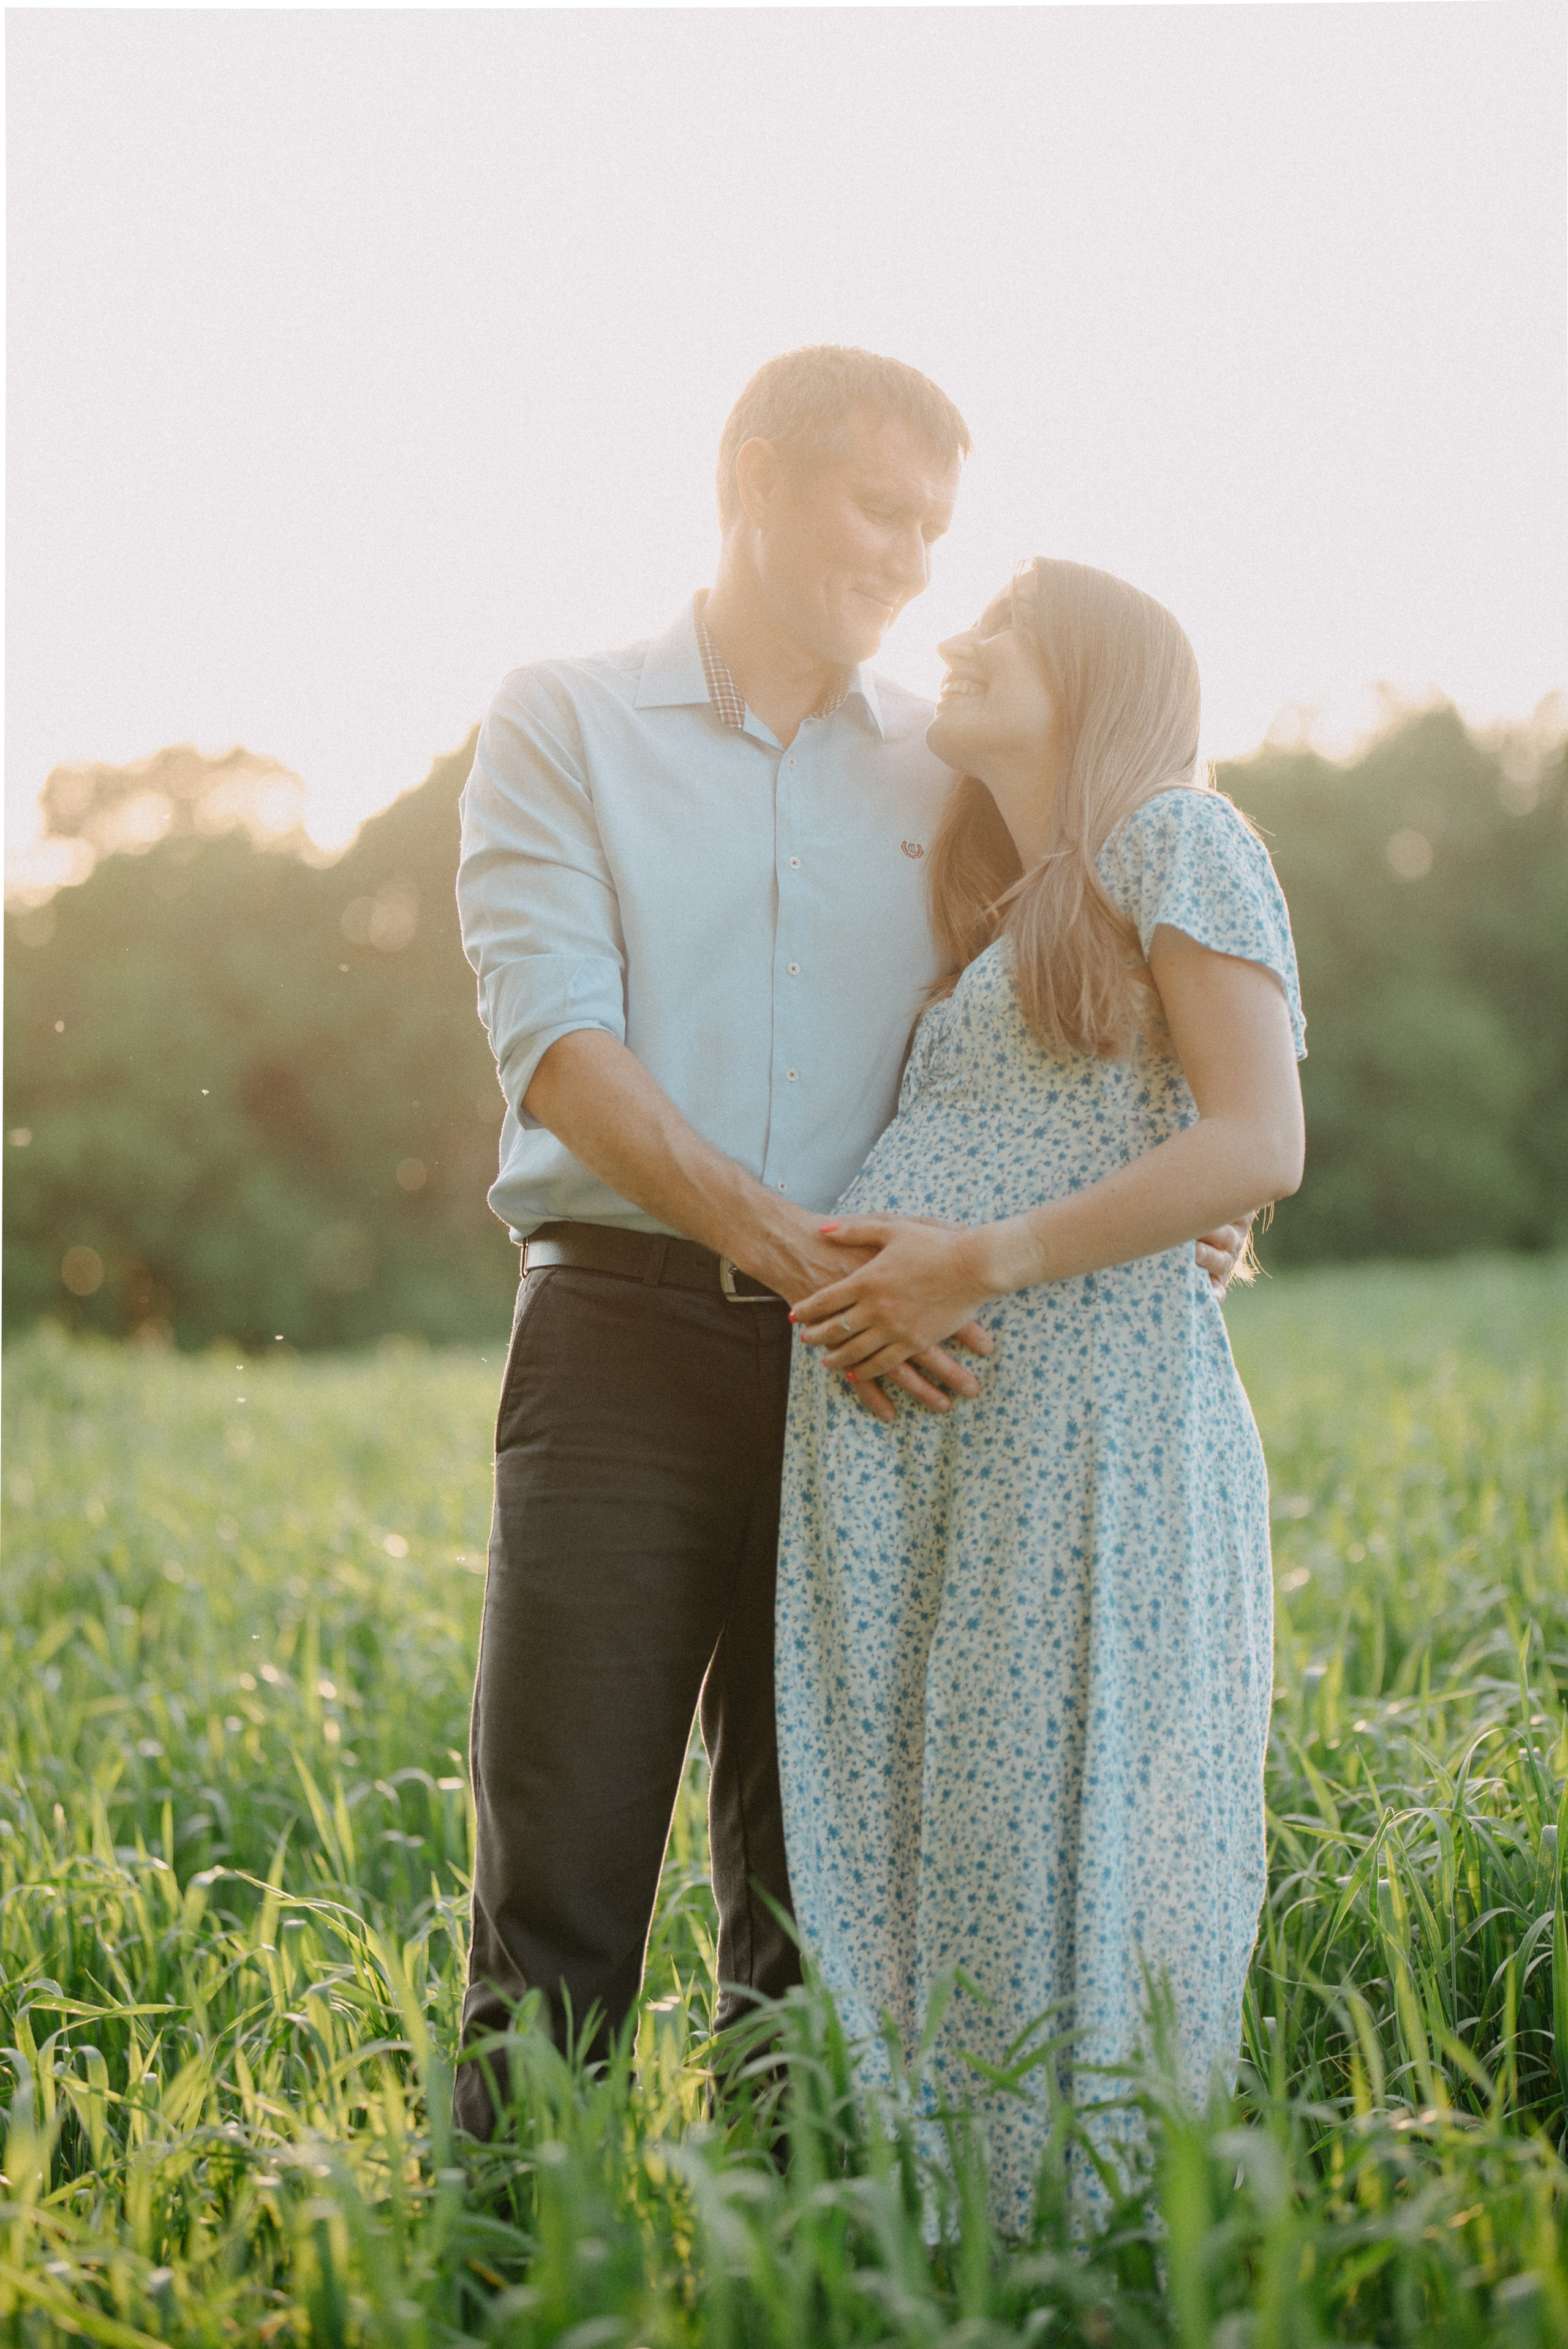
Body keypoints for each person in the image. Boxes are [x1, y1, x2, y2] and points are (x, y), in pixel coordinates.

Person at [453, 349, 1248, 2136]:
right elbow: (561, 1050)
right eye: (879, 509)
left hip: (896, 1383)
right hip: (626, 1351)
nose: (912, 562)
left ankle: (801, 2256)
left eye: (936, 530)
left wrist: (1163, 1212)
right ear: (754, 475)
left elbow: (1061, 1008)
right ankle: (507, 2264)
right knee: (561, 1881)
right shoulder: (564, 718)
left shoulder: (946, 755)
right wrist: (802, 1254)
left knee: (828, 1904)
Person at [775, 558, 1306, 2230]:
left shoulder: (1175, 833)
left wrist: (978, 1261)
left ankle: (1078, 2262)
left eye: (1004, 623)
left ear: (1099, 675)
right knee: (972, 1865)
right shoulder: (1016, 914)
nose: (959, 637)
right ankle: (960, 2253)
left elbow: (1259, 1139)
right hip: (972, 1465)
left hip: (1084, 1447)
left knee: (1071, 1849)